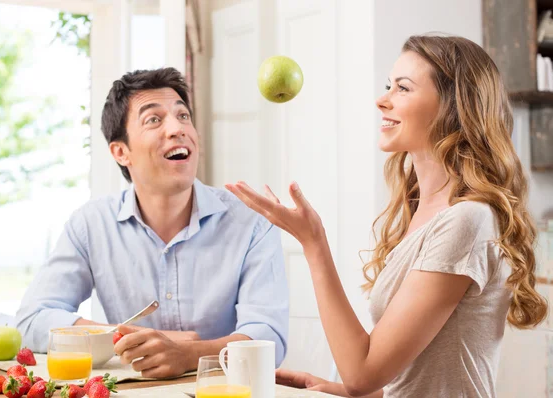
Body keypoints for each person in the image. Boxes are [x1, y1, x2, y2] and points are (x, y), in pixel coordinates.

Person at [226, 34, 548, 397]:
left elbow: (363, 372)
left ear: (452, 107)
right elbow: (421, 374)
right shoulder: (424, 212)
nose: (382, 100)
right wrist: (346, 391)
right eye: (388, 86)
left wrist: (313, 243)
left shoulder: (465, 221)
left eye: (403, 88)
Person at [15, 67, 289, 377]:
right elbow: (31, 319)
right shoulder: (90, 225)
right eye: (154, 120)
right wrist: (123, 337)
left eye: (183, 116)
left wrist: (189, 354)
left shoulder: (252, 222)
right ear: (121, 152)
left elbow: (269, 338)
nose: (177, 128)